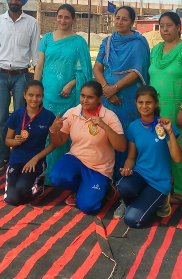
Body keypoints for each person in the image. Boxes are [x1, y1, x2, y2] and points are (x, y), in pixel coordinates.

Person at [34, 4, 92, 182]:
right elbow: (40, 66)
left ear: (73, 19)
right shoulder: (47, 39)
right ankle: (44, 174)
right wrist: (36, 90)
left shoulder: (79, 42)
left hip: (69, 96)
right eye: (60, 16)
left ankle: (64, 175)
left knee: (66, 132)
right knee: (46, 131)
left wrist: (71, 84)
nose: (63, 20)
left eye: (67, 17)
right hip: (48, 94)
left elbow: (85, 72)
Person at [48, 81, 127, 214]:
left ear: (99, 99)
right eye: (82, 96)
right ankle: (85, 188)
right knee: (57, 176)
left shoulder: (109, 116)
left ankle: (103, 187)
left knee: (88, 207)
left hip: (99, 167)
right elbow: (59, 142)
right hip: (76, 158)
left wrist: (104, 126)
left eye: (90, 97)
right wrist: (53, 130)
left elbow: (122, 147)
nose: (85, 100)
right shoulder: (72, 113)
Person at [0, 0, 40, 172]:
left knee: (20, 118)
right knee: (1, 118)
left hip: (21, 77)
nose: (14, 1)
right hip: (0, 75)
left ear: (23, 1)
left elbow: (35, 53)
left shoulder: (31, 23)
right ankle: (3, 155)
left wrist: (36, 80)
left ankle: (18, 156)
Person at [149, 11, 182, 206]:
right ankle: (160, 184)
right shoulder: (156, 50)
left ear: (179, 27)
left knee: (180, 147)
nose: (165, 29)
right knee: (158, 146)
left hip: (178, 110)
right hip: (156, 110)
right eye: (161, 26)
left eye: (169, 25)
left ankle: (180, 188)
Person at [93, 6, 150, 175]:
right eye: (117, 18)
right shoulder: (107, 41)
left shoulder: (138, 43)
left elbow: (137, 71)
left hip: (129, 100)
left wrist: (115, 88)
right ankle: (104, 174)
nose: (119, 22)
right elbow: (97, 68)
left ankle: (125, 174)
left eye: (124, 19)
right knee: (106, 133)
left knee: (126, 134)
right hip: (107, 98)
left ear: (132, 22)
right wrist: (106, 89)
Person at [115, 86, 182, 227]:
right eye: (140, 102)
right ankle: (139, 201)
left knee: (132, 220)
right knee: (123, 186)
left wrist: (170, 132)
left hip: (159, 181)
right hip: (140, 173)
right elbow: (131, 157)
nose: (144, 106)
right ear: (136, 103)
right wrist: (127, 170)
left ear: (156, 103)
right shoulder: (133, 127)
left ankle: (161, 201)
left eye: (149, 102)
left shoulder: (165, 125)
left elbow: (177, 159)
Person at [3, 80, 57, 205]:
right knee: (12, 200)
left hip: (35, 161)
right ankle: (21, 186)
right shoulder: (16, 115)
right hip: (16, 160)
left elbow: (53, 144)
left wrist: (36, 159)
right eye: (30, 95)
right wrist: (14, 141)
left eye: (38, 96)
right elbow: (7, 141)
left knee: (22, 190)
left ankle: (39, 184)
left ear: (42, 96)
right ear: (24, 95)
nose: (34, 99)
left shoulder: (48, 116)